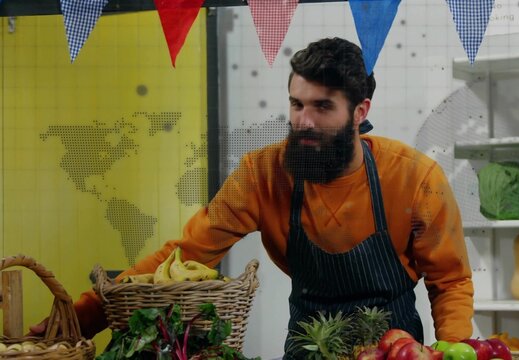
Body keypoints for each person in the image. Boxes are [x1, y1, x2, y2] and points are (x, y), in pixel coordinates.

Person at [33, 37, 474, 356]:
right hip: (308, 345)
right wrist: (82, 317)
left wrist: (454, 350)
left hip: (394, 348)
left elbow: (450, 280)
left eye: (322, 107)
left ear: (360, 112)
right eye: (297, 104)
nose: (303, 121)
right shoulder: (262, 174)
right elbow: (186, 255)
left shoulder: (416, 178)